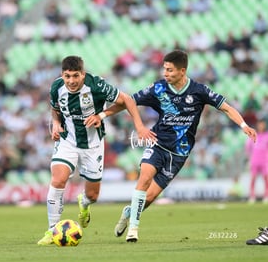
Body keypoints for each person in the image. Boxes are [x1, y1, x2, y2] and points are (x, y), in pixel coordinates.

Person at [100, 50, 257, 242]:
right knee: (145, 178)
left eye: (170, 70)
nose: (165, 73)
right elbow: (128, 101)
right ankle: (133, 229)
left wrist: (243, 125)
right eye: (164, 69)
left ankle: (129, 212)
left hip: (180, 152)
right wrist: (102, 115)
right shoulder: (158, 88)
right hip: (156, 143)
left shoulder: (199, 91)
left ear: (182, 71)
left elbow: (226, 107)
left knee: (149, 198)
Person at [37, 55, 156, 246]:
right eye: (67, 76)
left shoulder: (96, 85)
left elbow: (126, 100)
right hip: (67, 141)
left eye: (76, 76)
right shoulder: (56, 87)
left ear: (83, 74)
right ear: (62, 75)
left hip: (93, 145)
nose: (71, 81)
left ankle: (84, 204)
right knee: (58, 179)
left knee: (92, 196)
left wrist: (134, 125)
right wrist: (57, 124)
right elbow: (55, 109)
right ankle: (52, 230)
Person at [245, 118, 268, 203]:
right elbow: (248, 148)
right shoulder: (253, 135)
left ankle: (266, 196)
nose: (261, 126)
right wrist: (248, 159)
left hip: (264, 161)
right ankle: (252, 196)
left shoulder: (267, 135)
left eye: (262, 124)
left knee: (266, 179)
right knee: (253, 179)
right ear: (257, 125)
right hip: (254, 161)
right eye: (259, 124)